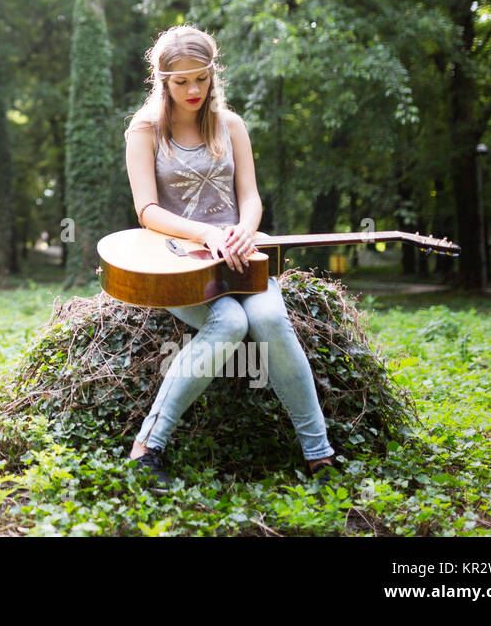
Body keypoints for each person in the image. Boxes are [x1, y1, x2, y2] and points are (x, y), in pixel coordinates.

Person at [122, 25, 337, 490]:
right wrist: (208, 233)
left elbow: (252, 198)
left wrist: (243, 230)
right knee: (230, 323)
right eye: (181, 82)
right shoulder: (143, 130)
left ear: (212, 74)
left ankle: (319, 455)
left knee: (271, 320)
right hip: (180, 265)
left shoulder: (231, 125)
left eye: (201, 78)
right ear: (162, 80)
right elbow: (147, 211)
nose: (193, 90)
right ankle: (147, 447)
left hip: (242, 257)